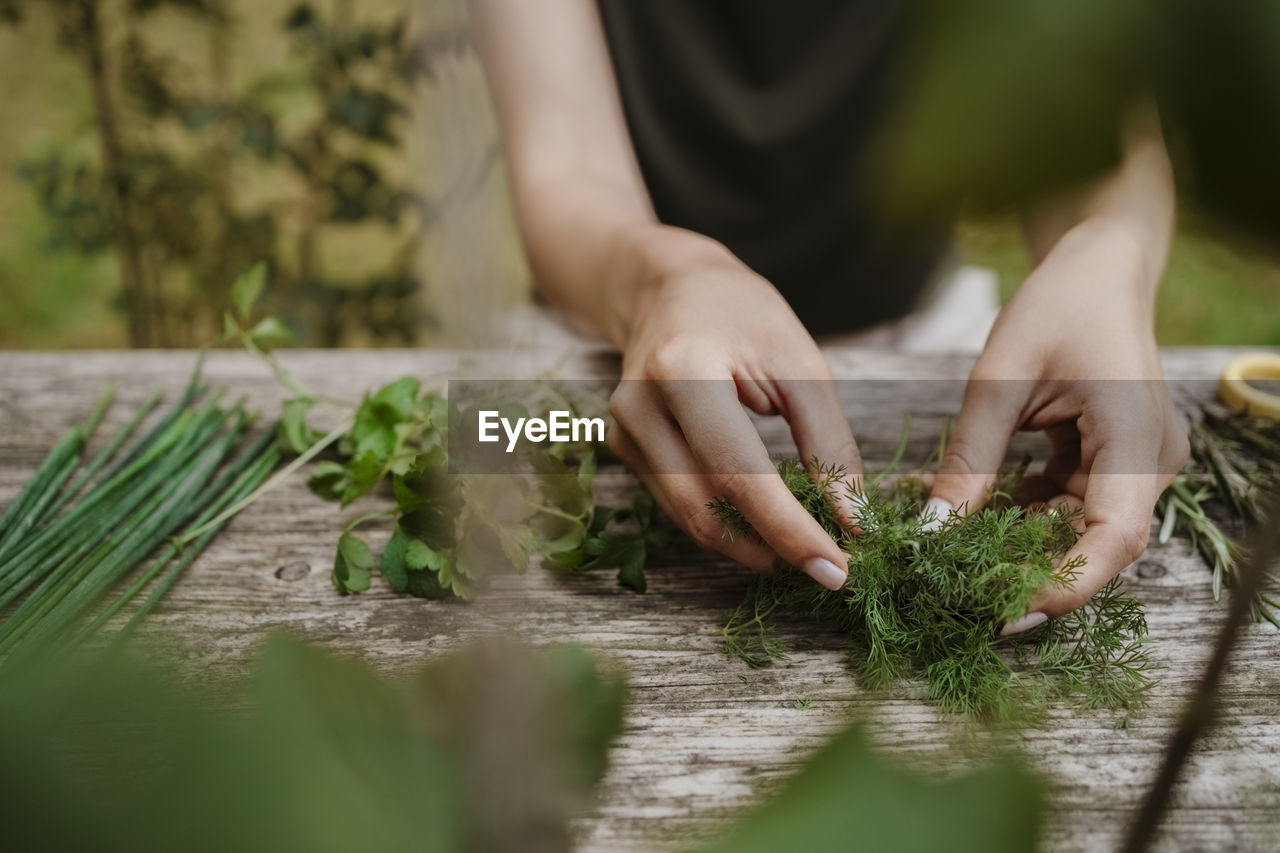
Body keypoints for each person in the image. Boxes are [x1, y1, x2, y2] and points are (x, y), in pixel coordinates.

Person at [470, 0, 1189, 633]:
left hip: (922, 339)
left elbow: (1087, 126)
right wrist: (660, 279)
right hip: (622, 332)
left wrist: (1107, 255)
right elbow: (564, 168)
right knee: (477, 435)